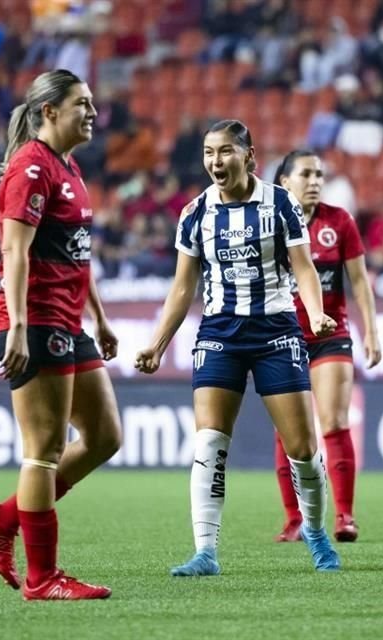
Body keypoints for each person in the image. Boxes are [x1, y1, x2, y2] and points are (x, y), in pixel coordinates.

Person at [136, 119, 342, 576]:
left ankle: (314, 530)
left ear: (248, 155)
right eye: (209, 153)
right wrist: (156, 343)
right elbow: (182, 287)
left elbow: (303, 269)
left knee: (303, 448)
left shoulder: (280, 203)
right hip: (219, 333)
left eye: (225, 151)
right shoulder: (195, 213)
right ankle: (205, 551)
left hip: (275, 331)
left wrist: (315, 312)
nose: (216, 162)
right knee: (208, 441)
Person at [0, 69, 121, 601]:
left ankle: (4, 519)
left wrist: (98, 317)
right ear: (49, 111)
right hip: (34, 322)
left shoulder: (69, 167)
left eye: (93, 102)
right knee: (45, 449)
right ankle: (43, 578)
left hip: (69, 322)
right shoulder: (31, 166)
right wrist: (17, 325)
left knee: (105, 437)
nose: (93, 112)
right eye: (82, 103)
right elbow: (14, 251)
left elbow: (76, 255)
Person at [270, 151, 381, 544]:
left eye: (319, 174)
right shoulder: (270, 223)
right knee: (288, 433)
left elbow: (360, 281)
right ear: (285, 181)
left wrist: (371, 332)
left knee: (333, 421)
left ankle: (345, 516)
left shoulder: (340, 221)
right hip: (283, 338)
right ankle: (293, 519)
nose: (315, 180)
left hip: (331, 334)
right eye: (306, 174)